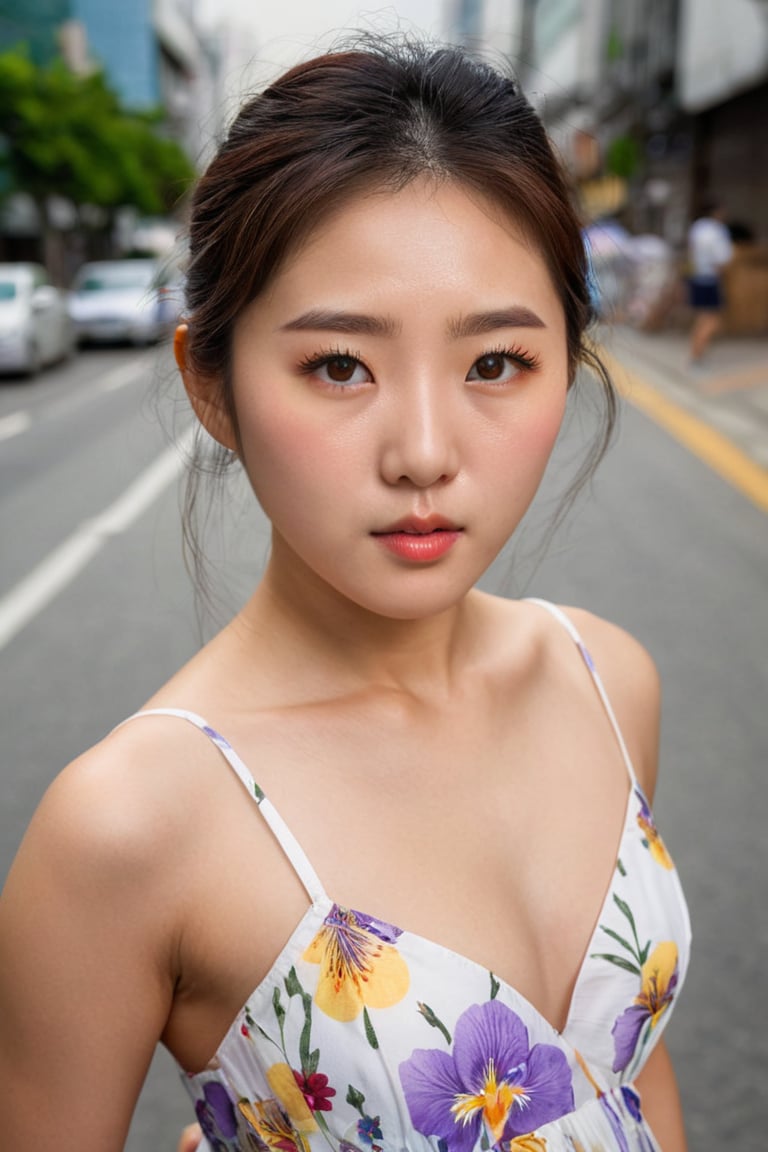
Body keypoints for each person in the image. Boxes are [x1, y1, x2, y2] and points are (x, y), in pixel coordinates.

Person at [0, 37, 691, 1152]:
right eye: (339, 366)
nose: (424, 452)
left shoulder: (608, 679)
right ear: (210, 384)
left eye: (495, 363)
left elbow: (634, 1078)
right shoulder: (129, 827)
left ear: (570, 359)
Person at [687, 201, 733, 366]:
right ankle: (697, 356)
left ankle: (696, 353)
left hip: (697, 276)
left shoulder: (697, 228)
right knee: (711, 320)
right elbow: (722, 258)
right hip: (710, 278)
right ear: (717, 212)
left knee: (701, 318)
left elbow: (691, 251)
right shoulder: (717, 231)